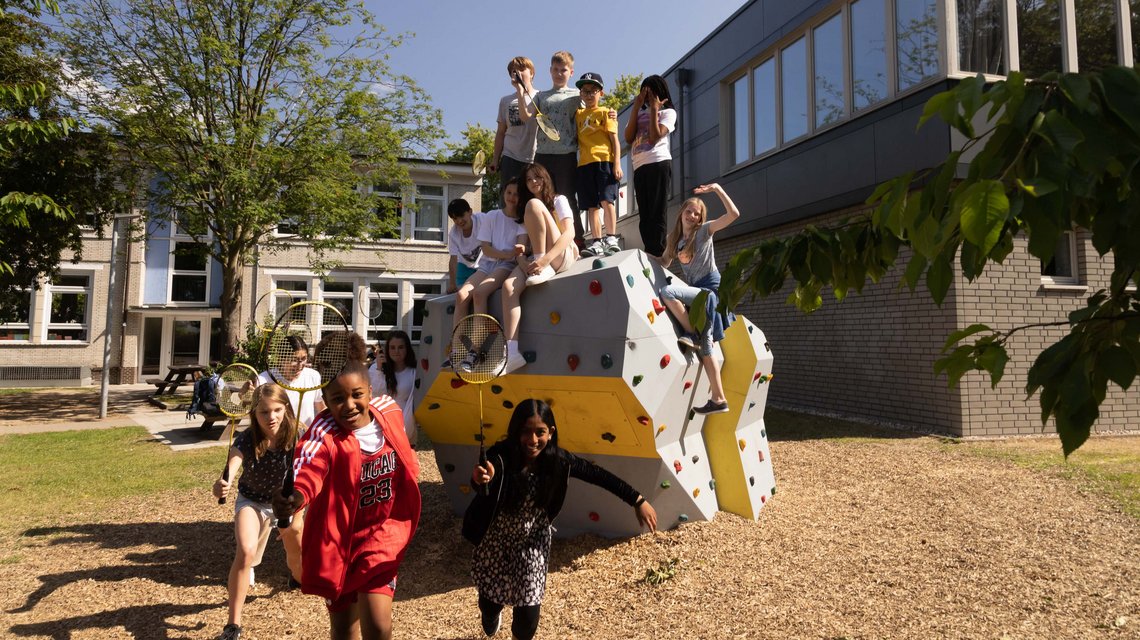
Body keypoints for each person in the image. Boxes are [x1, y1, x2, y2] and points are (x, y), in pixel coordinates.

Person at [467, 399, 657, 640]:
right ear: (516, 431)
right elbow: (487, 473)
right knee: (490, 603)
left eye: (540, 432)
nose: (533, 440)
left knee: (528, 615)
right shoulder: (501, 456)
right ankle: (491, 614)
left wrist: (637, 500)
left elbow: (597, 475)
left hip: (532, 544)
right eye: (525, 431)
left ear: (551, 432)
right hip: (495, 541)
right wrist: (481, 477)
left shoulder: (559, 461)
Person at [273, 332, 421, 640]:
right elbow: (309, 469)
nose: (349, 405)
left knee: (379, 627)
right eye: (338, 399)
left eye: (356, 394)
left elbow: (406, 453)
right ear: (325, 402)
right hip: (339, 543)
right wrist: (297, 496)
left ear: (369, 389)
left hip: (382, 536)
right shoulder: (323, 433)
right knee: (343, 631)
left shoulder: (389, 412)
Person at [213, 384, 304, 640]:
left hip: (286, 502)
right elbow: (232, 463)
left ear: (286, 408)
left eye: (276, 410)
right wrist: (224, 483)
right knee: (245, 551)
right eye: (264, 412)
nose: (271, 417)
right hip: (251, 501)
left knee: (296, 554)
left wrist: (298, 508)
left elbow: (312, 468)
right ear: (255, 412)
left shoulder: (299, 435)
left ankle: (297, 579)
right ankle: (233, 625)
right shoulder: (247, 437)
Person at [655, 183, 740, 415]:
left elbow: (734, 215)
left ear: (701, 218)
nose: (693, 216)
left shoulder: (704, 232)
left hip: (710, 292)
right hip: (696, 297)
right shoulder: (673, 238)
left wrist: (718, 190)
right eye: (689, 211)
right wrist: (639, 256)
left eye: (697, 214)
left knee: (668, 293)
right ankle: (719, 399)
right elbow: (663, 262)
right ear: (681, 212)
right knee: (706, 349)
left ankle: (690, 331)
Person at [500, 163, 579, 373]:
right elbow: (521, 249)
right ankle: (512, 351)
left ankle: (543, 264)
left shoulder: (558, 200)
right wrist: (523, 262)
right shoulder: (525, 210)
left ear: (545, 178)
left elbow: (570, 233)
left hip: (559, 256)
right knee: (508, 287)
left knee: (534, 205)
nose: (534, 182)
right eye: (528, 179)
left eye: (538, 177)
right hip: (537, 259)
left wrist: (544, 261)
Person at [452, 182, 527, 370]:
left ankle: (474, 351)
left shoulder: (522, 221)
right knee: (461, 295)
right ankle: (457, 348)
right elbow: (486, 248)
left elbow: (518, 252)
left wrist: (510, 255)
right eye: (509, 192)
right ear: (503, 194)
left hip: (505, 265)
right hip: (488, 263)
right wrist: (507, 253)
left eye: (516, 194)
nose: (511, 197)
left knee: (480, 293)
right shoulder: (492, 216)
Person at [531, 51, 584, 242]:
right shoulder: (541, 96)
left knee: (567, 197)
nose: (559, 73)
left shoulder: (578, 95)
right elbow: (526, 115)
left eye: (563, 70)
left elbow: (590, 115)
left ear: (571, 72)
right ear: (550, 70)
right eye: (555, 69)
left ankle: (576, 239)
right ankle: (545, 239)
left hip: (566, 154)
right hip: (543, 154)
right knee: (542, 198)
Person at [625, 75, 677, 258]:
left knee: (657, 211)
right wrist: (636, 108)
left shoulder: (668, 113)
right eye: (644, 92)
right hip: (639, 167)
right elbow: (628, 137)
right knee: (645, 215)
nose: (647, 96)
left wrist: (655, 109)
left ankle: (658, 251)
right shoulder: (639, 113)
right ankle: (649, 250)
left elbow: (654, 138)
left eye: (651, 92)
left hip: (658, 163)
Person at [574, 72, 623, 258]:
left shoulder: (606, 112)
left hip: (604, 161)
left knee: (606, 200)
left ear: (600, 93)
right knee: (591, 206)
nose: (588, 94)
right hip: (584, 164)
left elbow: (615, 141)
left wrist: (617, 164)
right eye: (585, 91)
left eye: (593, 91)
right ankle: (596, 241)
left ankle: (611, 237)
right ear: (580, 94)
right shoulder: (578, 114)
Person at [491, 56, 539, 201]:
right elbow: (500, 132)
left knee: (533, 201)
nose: (517, 73)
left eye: (522, 69)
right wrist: (495, 159)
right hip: (510, 157)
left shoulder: (540, 97)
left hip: (534, 158)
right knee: (509, 202)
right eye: (513, 71)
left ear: (531, 73)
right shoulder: (505, 101)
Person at [258, 334, 323, 428]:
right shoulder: (263, 379)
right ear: (281, 359)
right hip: (277, 439)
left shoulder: (313, 376)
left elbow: (321, 407)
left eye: (304, 358)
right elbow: (252, 408)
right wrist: (245, 396)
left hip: (306, 439)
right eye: (294, 360)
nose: (300, 365)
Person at [373, 330, 418, 444]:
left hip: (406, 429)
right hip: (382, 428)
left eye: (401, 347)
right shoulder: (376, 369)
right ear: (387, 350)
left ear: (407, 349)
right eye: (392, 347)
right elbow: (375, 395)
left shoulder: (415, 372)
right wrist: (379, 369)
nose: (396, 351)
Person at [446, 198, 485, 294]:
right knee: (461, 293)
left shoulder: (482, 220)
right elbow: (453, 260)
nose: (459, 221)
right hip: (464, 265)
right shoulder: (454, 234)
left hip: (484, 263)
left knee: (480, 290)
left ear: (470, 212)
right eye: (455, 218)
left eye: (461, 216)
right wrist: (452, 284)